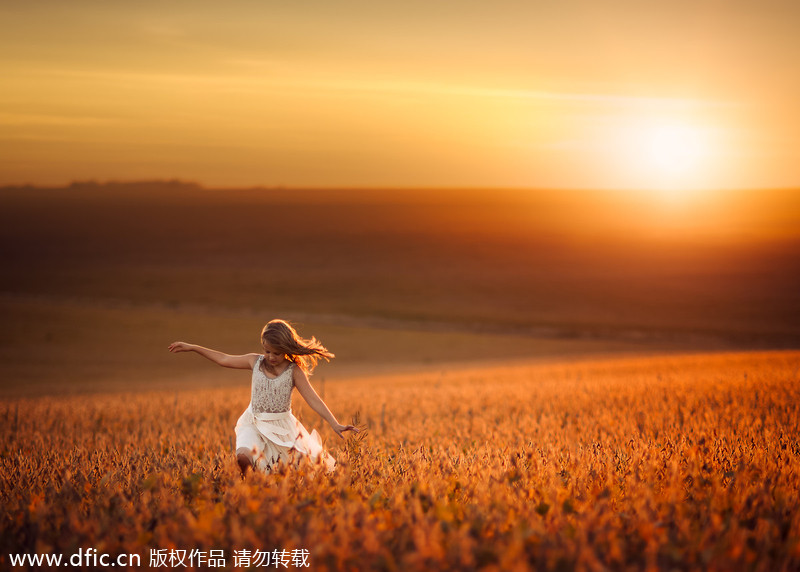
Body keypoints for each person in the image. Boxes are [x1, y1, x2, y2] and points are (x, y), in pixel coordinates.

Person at [168, 319, 357, 475]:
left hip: (281, 428)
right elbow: (223, 359)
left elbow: (313, 399)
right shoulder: (254, 361)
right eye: (267, 351)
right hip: (253, 422)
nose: (271, 357)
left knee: (297, 471)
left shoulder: (294, 371)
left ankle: (262, 494)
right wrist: (192, 347)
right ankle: (247, 486)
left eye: (277, 353)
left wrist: (335, 423)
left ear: (286, 349)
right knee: (243, 458)